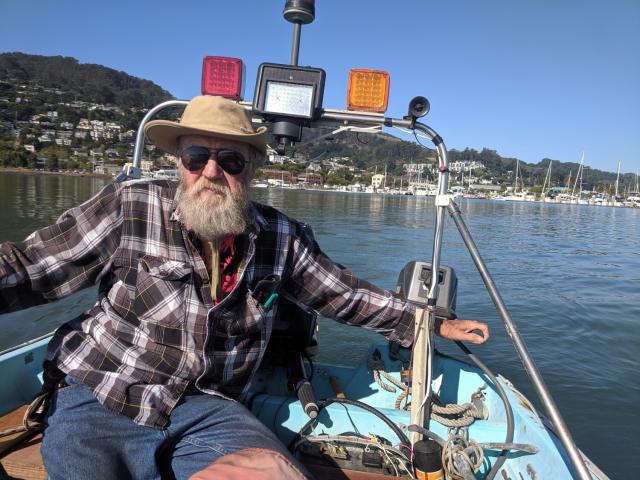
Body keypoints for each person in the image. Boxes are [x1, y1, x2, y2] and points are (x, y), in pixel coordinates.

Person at [0, 95, 489, 479]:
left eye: (230, 159)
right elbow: (30, 267)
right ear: (180, 162)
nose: (211, 172)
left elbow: (343, 294)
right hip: (102, 392)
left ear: (251, 168)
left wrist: (429, 322)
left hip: (208, 405)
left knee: (278, 473)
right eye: (196, 156)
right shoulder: (131, 207)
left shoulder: (284, 239)